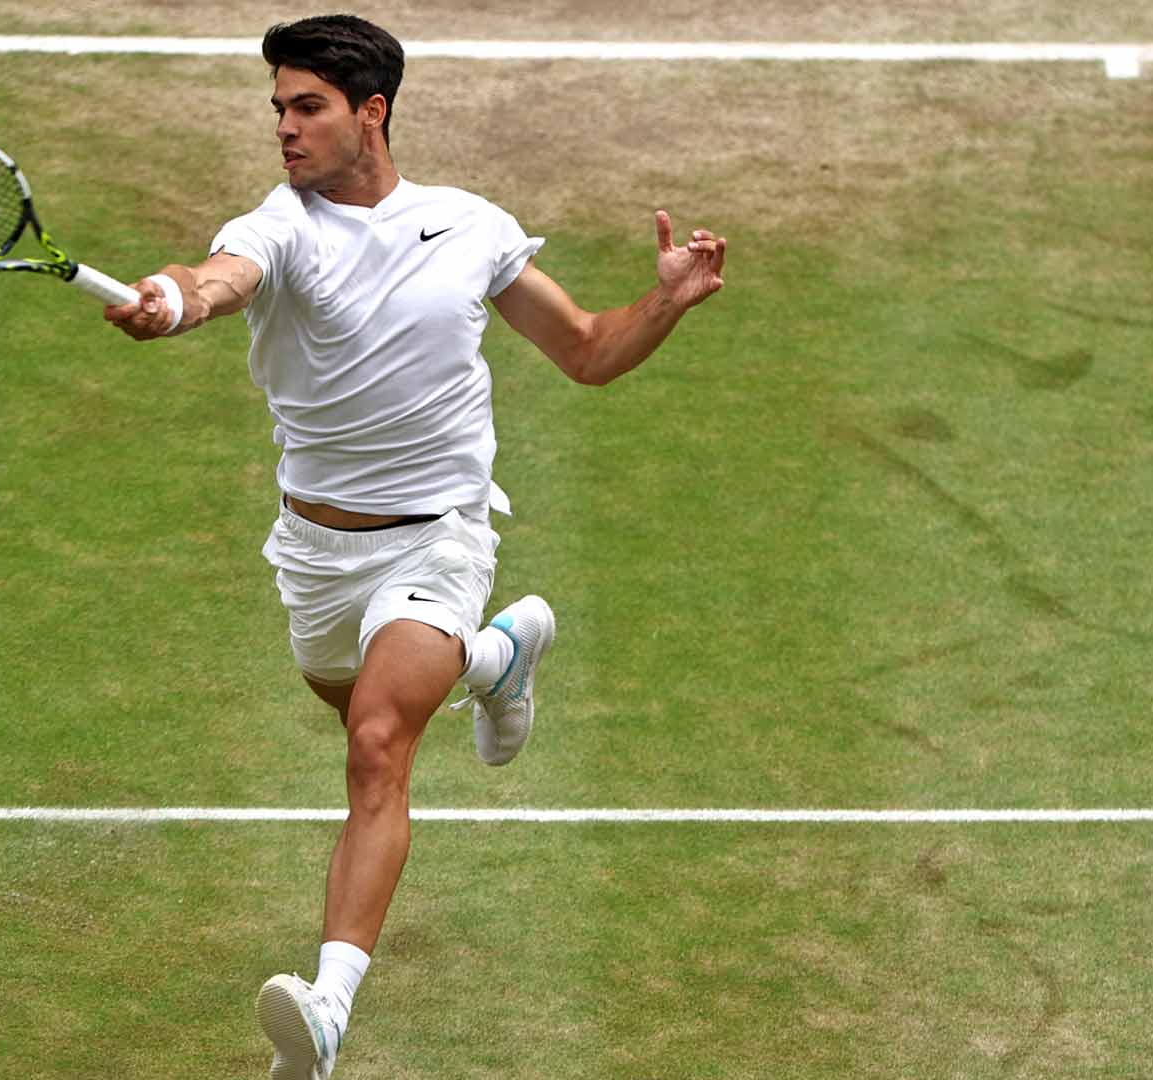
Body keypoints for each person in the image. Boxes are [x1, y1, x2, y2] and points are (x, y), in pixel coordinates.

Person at [106, 14, 725, 1078]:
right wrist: (173, 297)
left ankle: (328, 1005)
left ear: (372, 112)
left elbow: (584, 351)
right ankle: (496, 659)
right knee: (355, 704)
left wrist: (662, 304)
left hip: (438, 537)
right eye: (279, 110)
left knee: (378, 744)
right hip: (315, 552)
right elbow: (217, 275)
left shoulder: (469, 226)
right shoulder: (281, 226)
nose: (287, 131)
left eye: (308, 108)